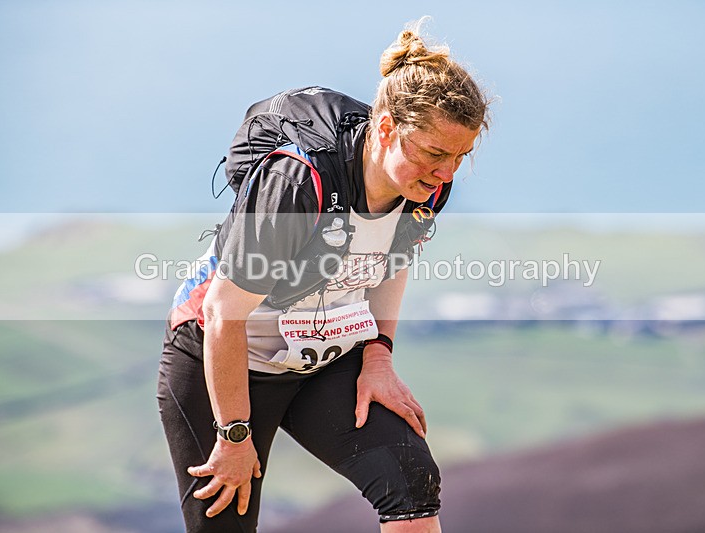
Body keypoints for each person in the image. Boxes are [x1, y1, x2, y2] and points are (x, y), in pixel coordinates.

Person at [157, 18, 490, 533]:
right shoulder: (299, 182)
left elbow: (390, 263)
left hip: (322, 355)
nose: (447, 173)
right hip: (220, 357)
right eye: (435, 153)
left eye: (460, 157)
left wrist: (378, 354)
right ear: (386, 130)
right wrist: (235, 436)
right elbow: (223, 315)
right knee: (227, 519)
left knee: (411, 480)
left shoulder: (425, 186)